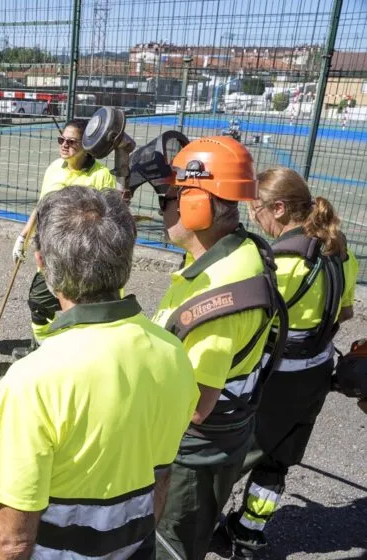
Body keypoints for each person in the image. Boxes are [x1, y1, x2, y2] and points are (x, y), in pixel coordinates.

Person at [0, 186, 198, 559]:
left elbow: (13, 539)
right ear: (125, 261)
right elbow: (161, 477)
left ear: (42, 265)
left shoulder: (34, 379)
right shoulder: (174, 353)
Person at [151, 137, 285, 560]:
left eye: (169, 197)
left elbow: (194, 406)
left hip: (190, 459)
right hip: (215, 443)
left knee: (167, 548)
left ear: (197, 205)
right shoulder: (235, 252)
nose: (164, 208)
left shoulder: (220, 292)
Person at [223, 167, 358, 558]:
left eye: (257, 208)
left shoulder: (277, 262)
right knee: (277, 461)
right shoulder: (340, 253)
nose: (254, 217)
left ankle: (202, 525)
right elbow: (345, 313)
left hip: (272, 378)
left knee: (229, 455)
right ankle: (249, 532)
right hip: (316, 375)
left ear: (279, 209)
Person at [10, 119, 117, 360]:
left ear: (86, 145)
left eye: (71, 142)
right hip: (49, 253)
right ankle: (42, 349)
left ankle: (76, 355)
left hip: (83, 257)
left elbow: (108, 218)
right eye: (62, 140)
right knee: (38, 301)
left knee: (81, 306)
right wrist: (23, 236)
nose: (64, 145)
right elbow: (41, 206)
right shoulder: (54, 168)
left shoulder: (101, 176)